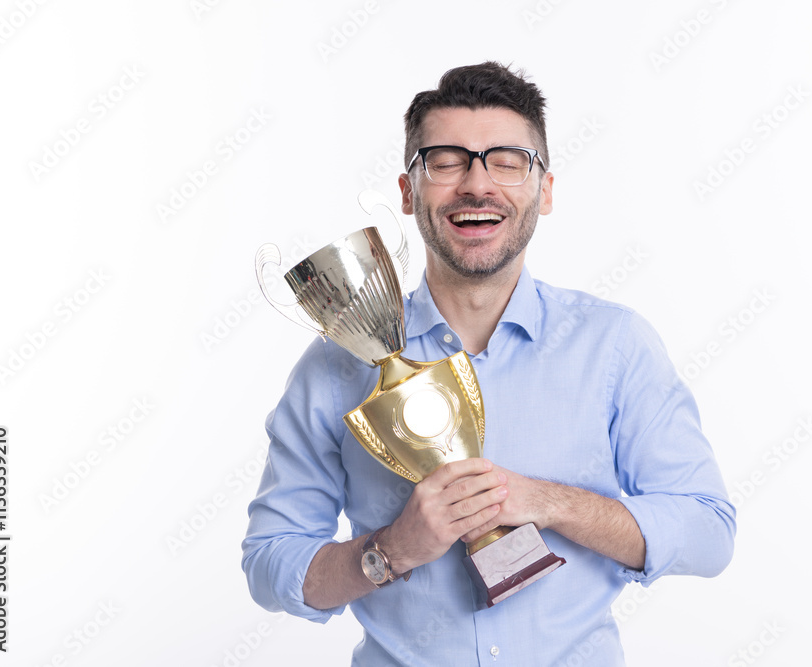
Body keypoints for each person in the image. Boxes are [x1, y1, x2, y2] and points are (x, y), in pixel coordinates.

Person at [242, 61, 736, 666]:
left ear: (545, 190)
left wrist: (549, 502)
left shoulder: (615, 345)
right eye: (446, 161)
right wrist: (390, 551)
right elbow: (270, 563)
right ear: (408, 191)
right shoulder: (338, 361)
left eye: (507, 161)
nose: (477, 184)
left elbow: (708, 533)